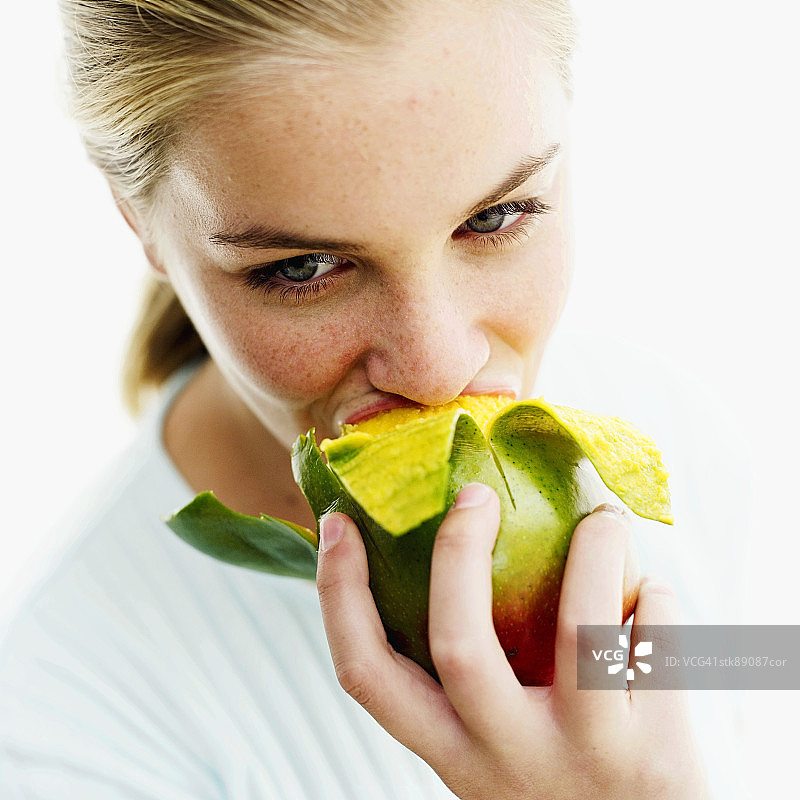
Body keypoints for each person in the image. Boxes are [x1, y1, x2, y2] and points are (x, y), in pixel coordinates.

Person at [0, 1, 741, 797]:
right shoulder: (64, 734)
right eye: (303, 268)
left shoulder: (665, 435)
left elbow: (763, 687)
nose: (437, 368)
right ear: (135, 219)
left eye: (495, 216)